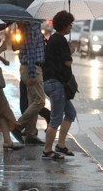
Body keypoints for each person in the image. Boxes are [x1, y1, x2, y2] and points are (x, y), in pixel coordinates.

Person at [41, 10, 77, 160]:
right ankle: (47, 150)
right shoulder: (60, 40)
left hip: (52, 83)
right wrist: (71, 51)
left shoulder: (52, 39)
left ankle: (61, 144)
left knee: (71, 113)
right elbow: (67, 62)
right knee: (56, 119)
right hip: (56, 84)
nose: (71, 27)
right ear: (64, 25)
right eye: (70, 24)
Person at [16, 21, 47, 145]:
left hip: (32, 68)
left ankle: (30, 134)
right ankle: (18, 125)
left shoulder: (33, 28)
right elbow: (31, 53)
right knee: (40, 100)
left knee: (32, 101)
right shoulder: (31, 29)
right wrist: (33, 74)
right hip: (32, 68)